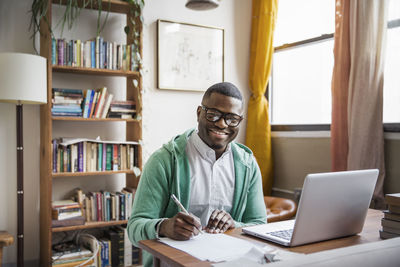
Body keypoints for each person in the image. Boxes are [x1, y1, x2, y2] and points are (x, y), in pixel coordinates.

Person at [127, 82, 267, 266]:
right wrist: (164, 227)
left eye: (232, 118)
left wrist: (234, 225)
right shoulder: (164, 161)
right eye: (213, 115)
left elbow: (259, 225)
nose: (222, 124)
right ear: (199, 112)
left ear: (240, 121)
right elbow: (134, 229)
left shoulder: (247, 164)